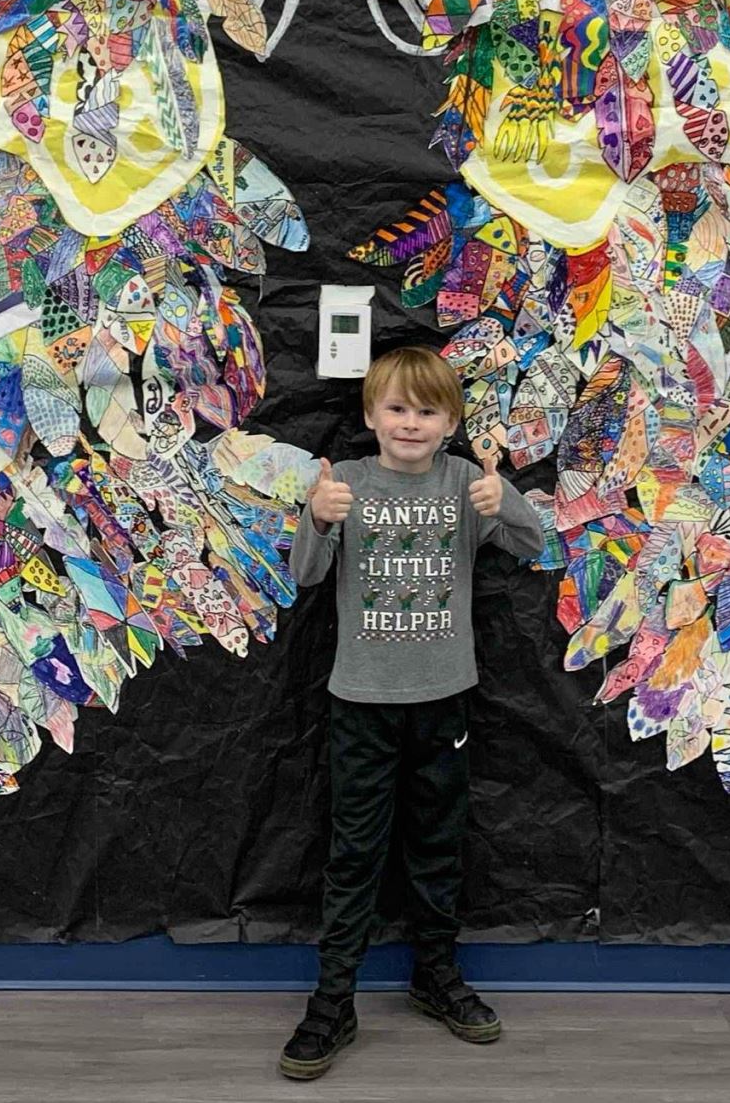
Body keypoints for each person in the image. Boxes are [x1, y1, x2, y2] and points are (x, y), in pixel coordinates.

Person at [277, 344, 547, 1082]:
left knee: (438, 846)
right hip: (361, 702)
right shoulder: (345, 481)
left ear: (451, 422)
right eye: (396, 407)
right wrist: (316, 518)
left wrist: (503, 498)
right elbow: (304, 574)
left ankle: (435, 975)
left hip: (443, 699)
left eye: (428, 411)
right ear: (371, 414)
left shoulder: (464, 481)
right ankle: (334, 999)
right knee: (353, 853)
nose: (410, 422)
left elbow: (533, 542)